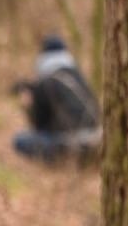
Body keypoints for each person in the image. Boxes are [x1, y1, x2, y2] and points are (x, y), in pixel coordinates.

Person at [11, 35, 100, 164]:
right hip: (96, 141)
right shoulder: (78, 77)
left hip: (70, 146)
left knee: (20, 140)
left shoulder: (46, 82)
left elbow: (39, 126)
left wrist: (28, 107)